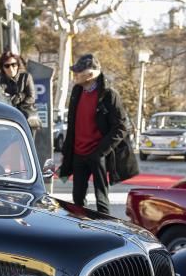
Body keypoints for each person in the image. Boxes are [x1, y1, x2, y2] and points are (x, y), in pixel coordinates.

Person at [58, 53, 139, 214]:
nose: (74, 75)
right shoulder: (77, 91)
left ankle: (105, 232)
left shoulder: (108, 94)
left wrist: (99, 153)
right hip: (78, 153)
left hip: (98, 154)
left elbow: (121, 127)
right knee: (77, 199)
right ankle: (80, 231)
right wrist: (68, 151)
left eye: (78, 72)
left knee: (102, 201)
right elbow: (73, 125)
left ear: (90, 74)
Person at [0, 50, 39, 130]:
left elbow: (31, 97)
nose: (11, 68)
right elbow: (1, 99)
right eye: (7, 66)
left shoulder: (26, 77)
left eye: (13, 64)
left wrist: (18, 101)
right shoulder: (0, 80)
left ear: (18, 65)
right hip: (8, 118)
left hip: (27, 117)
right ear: (2, 68)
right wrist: (22, 95)